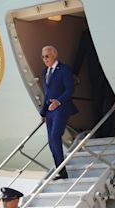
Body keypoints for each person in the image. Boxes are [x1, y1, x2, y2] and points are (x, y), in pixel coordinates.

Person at [40, 45, 78, 181]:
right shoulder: (45, 71)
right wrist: (43, 113)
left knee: (56, 136)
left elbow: (69, 89)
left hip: (61, 108)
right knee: (51, 141)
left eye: (47, 56)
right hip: (49, 111)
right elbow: (47, 93)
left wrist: (58, 101)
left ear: (54, 55)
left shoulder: (64, 69)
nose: (45, 59)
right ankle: (61, 171)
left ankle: (62, 171)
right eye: (43, 57)